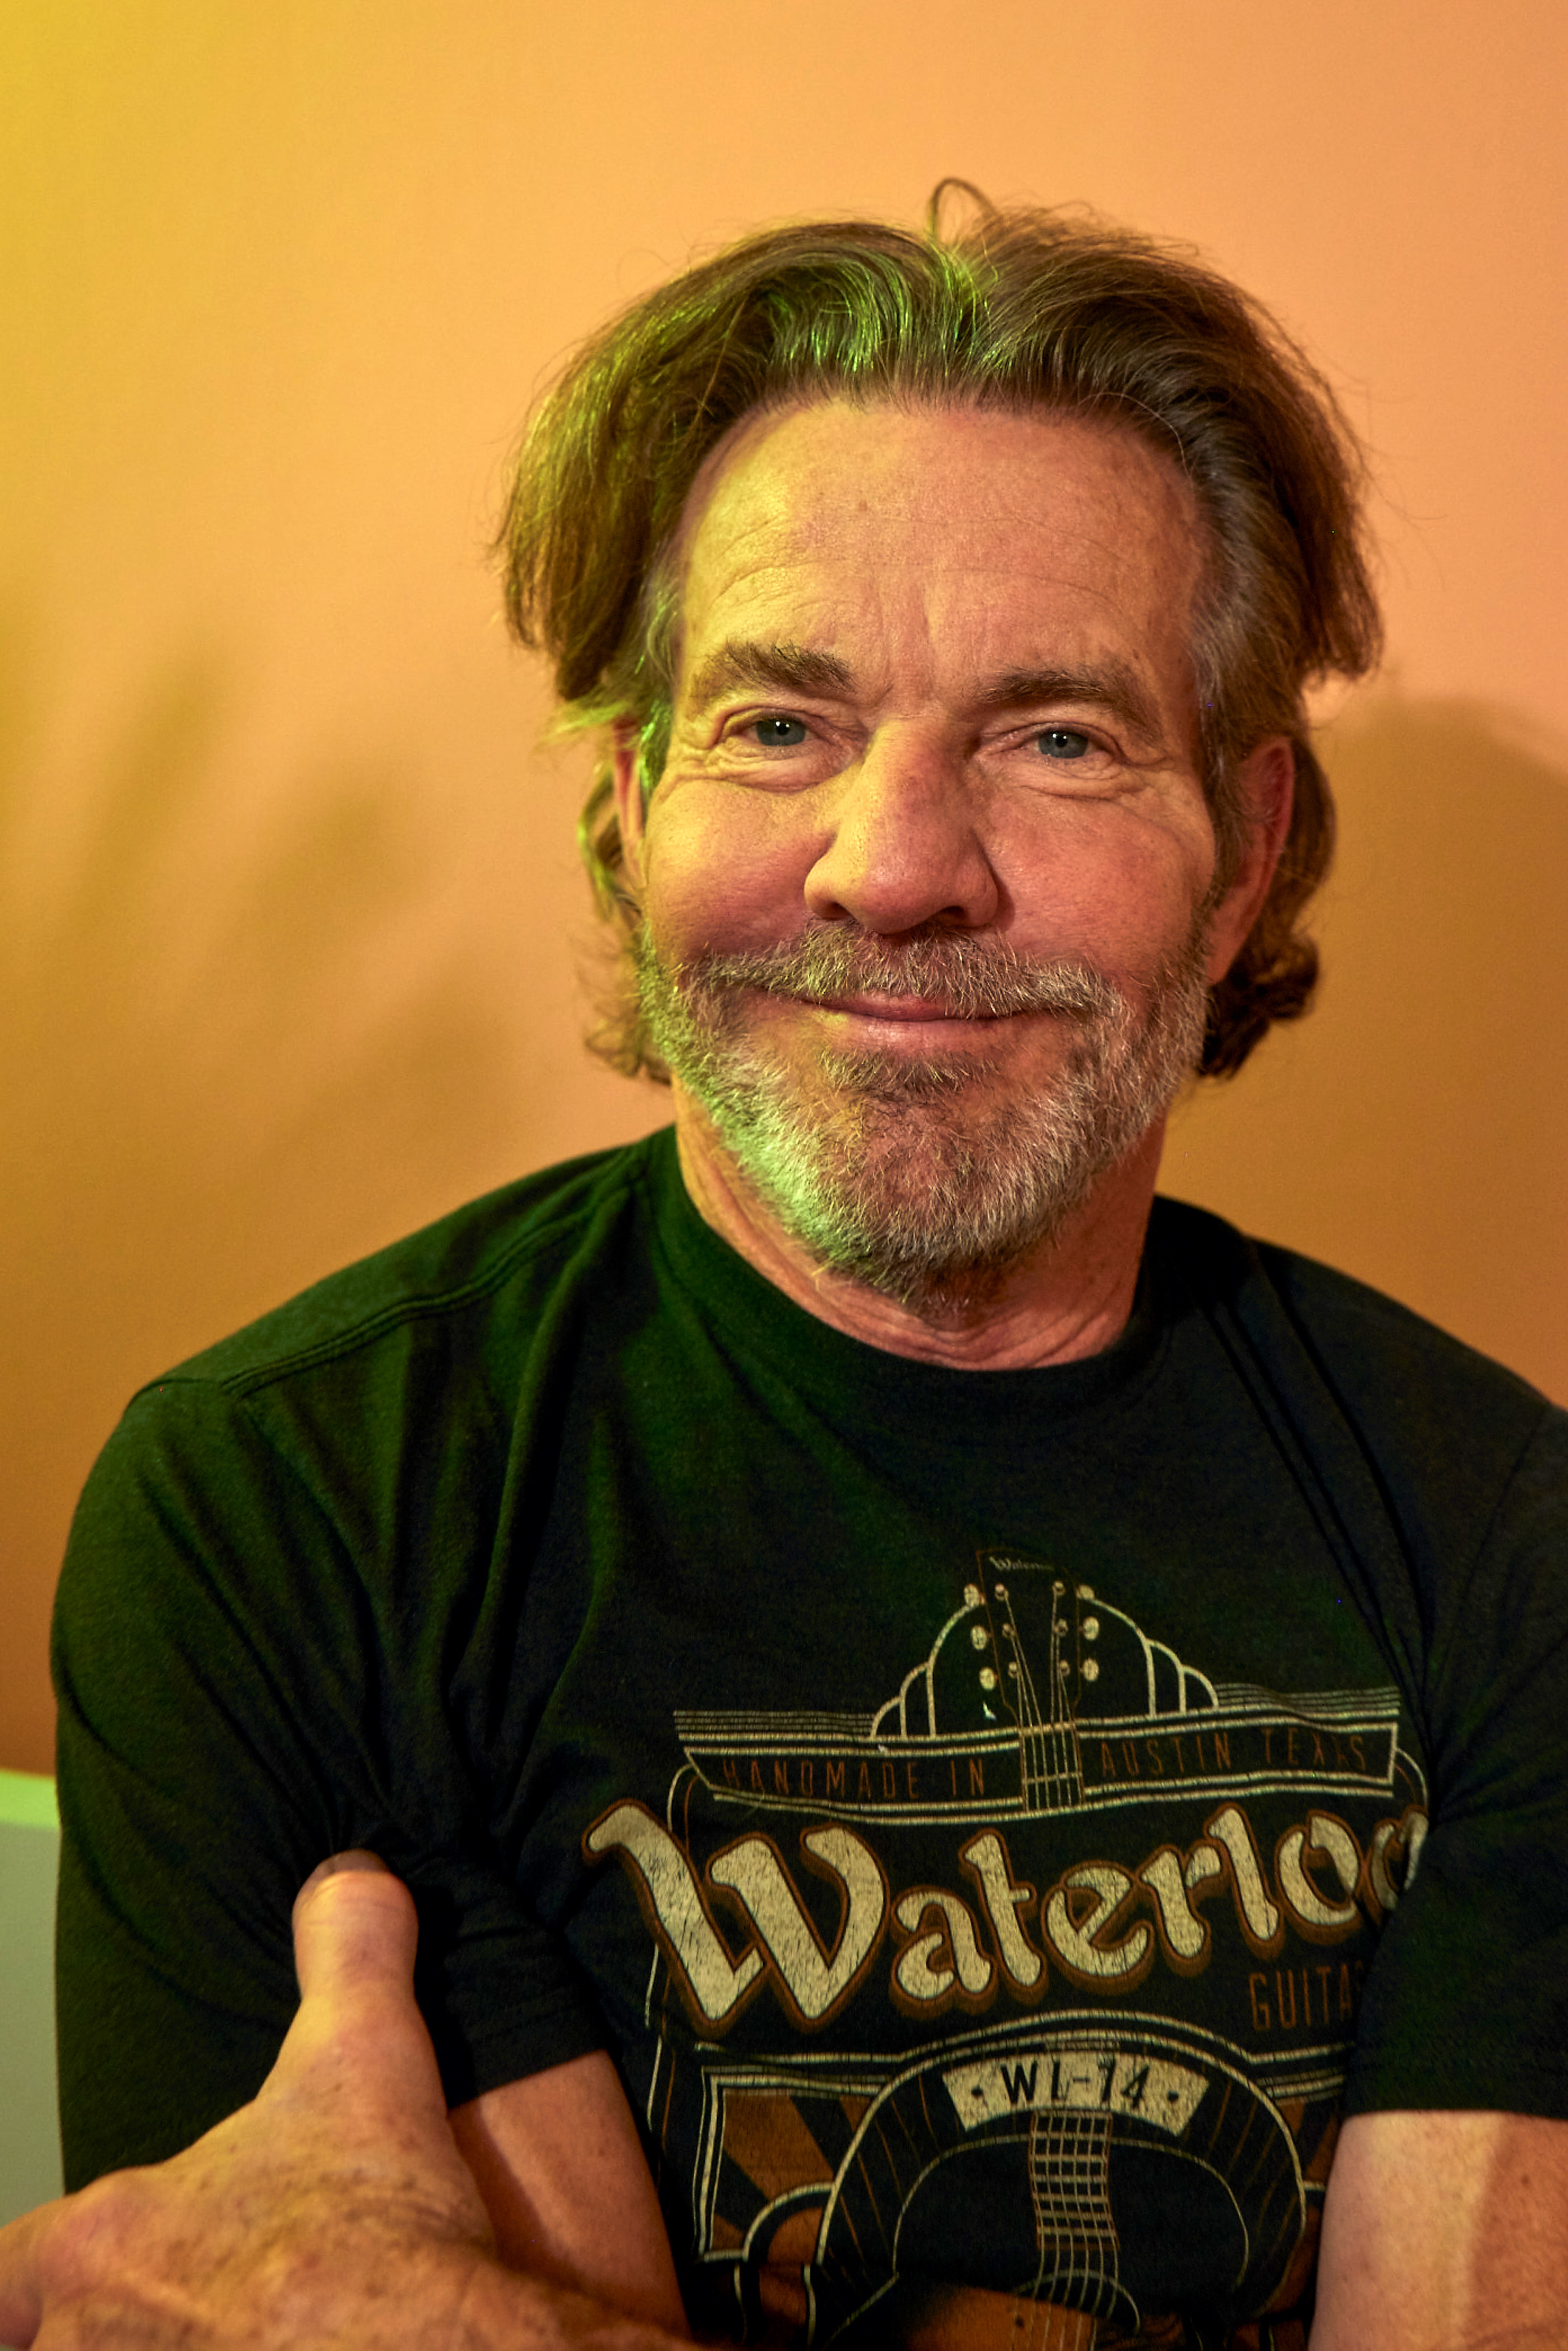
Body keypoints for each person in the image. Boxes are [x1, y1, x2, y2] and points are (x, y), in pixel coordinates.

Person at [4, 188, 1566, 2350]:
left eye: (1058, 735)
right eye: (774, 725)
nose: (894, 869)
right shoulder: (298, 1509)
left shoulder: (1502, 1533)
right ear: (626, 808)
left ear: (1243, 856)